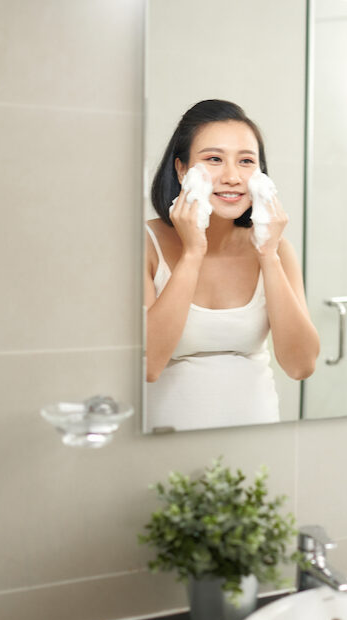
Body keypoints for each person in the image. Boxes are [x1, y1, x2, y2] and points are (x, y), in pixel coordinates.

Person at [144, 100, 319, 431]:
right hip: (164, 447)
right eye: (213, 159)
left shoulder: (278, 251)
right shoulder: (144, 246)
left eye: (246, 162)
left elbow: (301, 366)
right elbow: (149, 365)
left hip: (256, 444)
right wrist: (193, 253)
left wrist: (268, 255)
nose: (232, 177)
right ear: (181, 170)